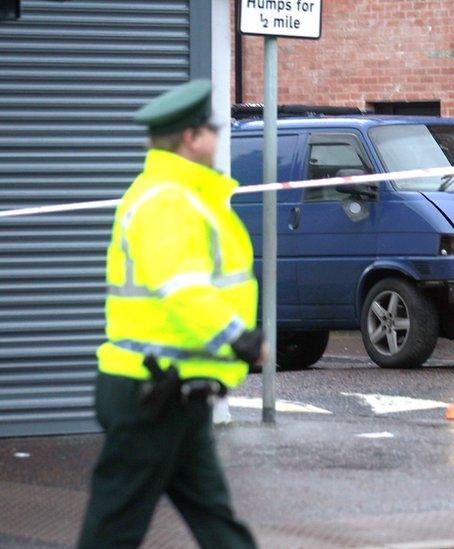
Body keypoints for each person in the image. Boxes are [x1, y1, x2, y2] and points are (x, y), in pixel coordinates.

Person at [77, 79, 266, 548]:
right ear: (191, 137)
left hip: (175, 391)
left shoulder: (181, 195)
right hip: (150, 390)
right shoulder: (167, 202)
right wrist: (239, 337)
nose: (218, 139)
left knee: (214, 517)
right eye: (213, 130)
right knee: (114, 527)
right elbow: (182, 291)